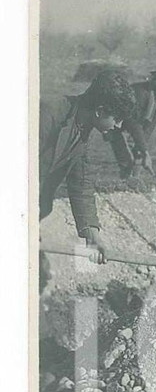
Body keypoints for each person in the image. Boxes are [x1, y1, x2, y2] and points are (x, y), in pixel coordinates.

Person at [39, 65, 136, 259]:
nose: (119, 125)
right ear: (100, 111)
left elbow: (81, 185)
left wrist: (92, 235)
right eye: (117, 118)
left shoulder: (82, 132)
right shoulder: (47, 115)